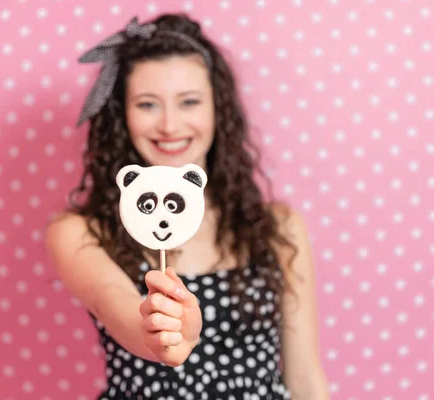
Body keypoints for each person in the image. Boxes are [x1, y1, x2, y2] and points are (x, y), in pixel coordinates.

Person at [45, 12, 329, 400]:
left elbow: (306, 379)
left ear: (217, 109)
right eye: (147, 105)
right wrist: (162, 334)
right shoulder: (80, 231)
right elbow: (119, 305)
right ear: (121, 115)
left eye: (189, 102)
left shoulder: (278, 227)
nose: (169, 125)